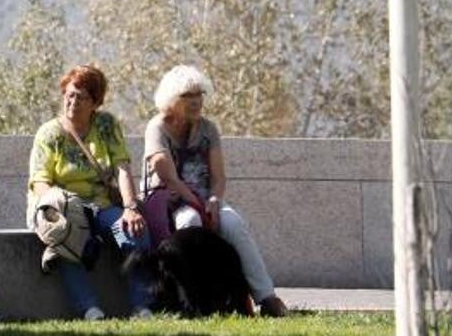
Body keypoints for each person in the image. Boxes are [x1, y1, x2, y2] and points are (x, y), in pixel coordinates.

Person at [140, 64, 290, 317]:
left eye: (200, 95)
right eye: (189, 96)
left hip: (205, 197)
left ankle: (266, 297)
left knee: (233, 223)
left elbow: (219, 178)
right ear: (171, 99)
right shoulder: (157, 127)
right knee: (190, 221)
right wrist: (198, 204)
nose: (197, 101)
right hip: (171, 200)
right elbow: (169, 178)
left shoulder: (208, 129)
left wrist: (212, 200)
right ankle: (196, 299)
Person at [27, 64, 153, 320]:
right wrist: (61, 207)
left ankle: (142, 307)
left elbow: (122, 168)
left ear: (95, 103)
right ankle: (90, 309)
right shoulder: (50, 133)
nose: (72, 102)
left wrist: (130, 208)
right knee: (67, 237)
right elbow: (39, 181)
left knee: (136, 234)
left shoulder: (106, 125)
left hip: (102, 205)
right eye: (69, 95)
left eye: (81, 97)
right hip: (63, 207)